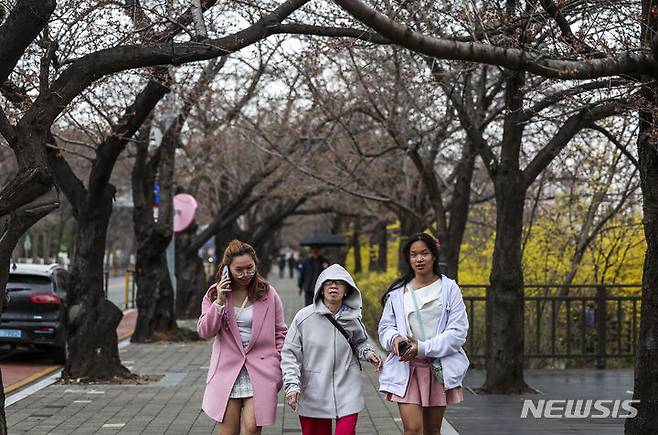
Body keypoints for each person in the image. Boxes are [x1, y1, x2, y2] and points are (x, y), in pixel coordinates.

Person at [378, 232, 469, 435]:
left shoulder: (449, 289)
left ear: (434, 255)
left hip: (436, 367)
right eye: (413, 255)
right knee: (412, 429)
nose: (419, 259)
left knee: (432, 430)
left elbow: (458, 332)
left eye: (424, 253)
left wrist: (422, 347)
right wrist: (396, 340)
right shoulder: (398, 292)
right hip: (406, 368)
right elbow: (385, 328)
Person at [197, 240, 288, 435]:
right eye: (239, 270)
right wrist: (220, 303)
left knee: (252, 428)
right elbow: (205, 331)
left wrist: (277, 365)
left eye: (250, 268)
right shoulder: (215, 294)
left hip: (262, 369)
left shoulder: (268, 293)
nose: (245, 274)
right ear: (226, 270)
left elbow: (280, 332)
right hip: (227, 370)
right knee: (228, 432)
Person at [281, 264, 382, 435]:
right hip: (314, 391)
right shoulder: (304, 318)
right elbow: (290, 354)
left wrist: (369, 353)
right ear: (321, 289)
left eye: (339, 283)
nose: (333, 286)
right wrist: (292, 386)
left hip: (347, 387)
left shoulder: (353, 317)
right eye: (328, 283)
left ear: (347, 290)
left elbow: (361, 343)